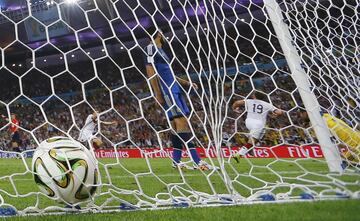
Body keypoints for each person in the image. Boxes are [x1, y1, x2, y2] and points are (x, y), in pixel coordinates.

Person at [144, 26, 214, 170]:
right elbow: (150, 71)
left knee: (176, 127)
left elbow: (168, 74)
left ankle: (176, 162)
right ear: (158, 33)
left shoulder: (162, 51)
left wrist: (187, 83)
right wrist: (158, 94)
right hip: (167, 92)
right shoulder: (151, 48)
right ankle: (197, 161)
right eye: (161, 32)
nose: (163, 34)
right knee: (182, 122)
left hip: (174, 91)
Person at [232, 91, 284, 162]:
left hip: (248, 122)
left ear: (254, 96)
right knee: (252, 141)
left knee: (258, 137)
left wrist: (234, 109)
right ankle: (239, 154)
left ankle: (248, 148)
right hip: (258, 124)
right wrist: (276, 114)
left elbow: (237, 103)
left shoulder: (249, 101)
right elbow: (279, 112)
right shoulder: (267, 104)